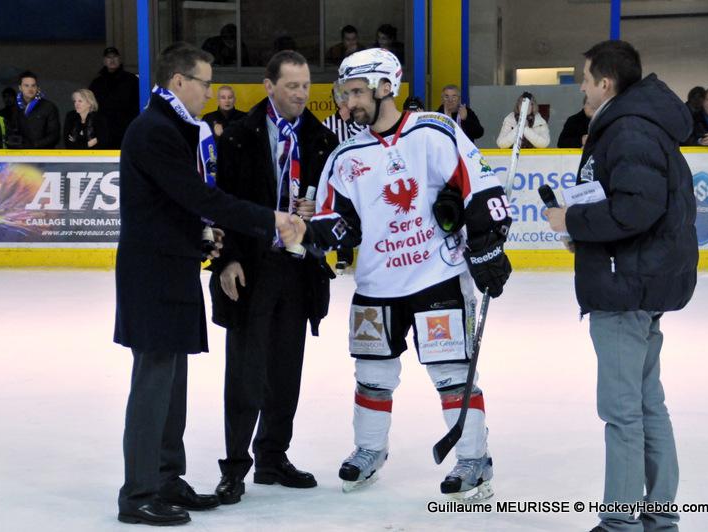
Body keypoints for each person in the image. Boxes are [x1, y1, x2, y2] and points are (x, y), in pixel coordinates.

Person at [305, 48, 513, 499]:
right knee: (371, 373)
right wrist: (314, 235)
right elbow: (337, 220)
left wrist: (486, 247)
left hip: (436, 277)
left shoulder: (433, 132)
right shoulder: (345, 155)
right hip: (376, 284)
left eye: (356, 92)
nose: (348, 103)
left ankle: (473, 458)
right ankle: (369, 449)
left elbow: (480, 187)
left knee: (452, 372)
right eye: (345, 93)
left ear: (386, 87)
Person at [114, 42, 305, 526]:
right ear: (179, 81)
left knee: (171, 384)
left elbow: (172, 207)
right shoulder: (155, 131)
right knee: (153, 385)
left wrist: (202, 236)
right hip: (152, 277)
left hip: (171, 271)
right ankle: (138, 493)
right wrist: (270, 218)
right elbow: (197, 196)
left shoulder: (172, 127)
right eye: (204, 83)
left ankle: (166, 478)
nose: (209, 92)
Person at [544, 40, 697, 532]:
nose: (582, 88)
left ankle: (621, 523)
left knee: (623, 411)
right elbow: (629, 206)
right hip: (635, 280)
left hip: (625, 287)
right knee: (647, 403)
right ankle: (660, 516)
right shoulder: (632, 124)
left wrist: (572, 219)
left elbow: (636, 208)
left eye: (586, 79)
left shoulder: (628, 129)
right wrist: (584, 233)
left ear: (605, 83)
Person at [208, 50, 339, 505]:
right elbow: (221, 203)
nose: (301, 94)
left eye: (305, 86)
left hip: (299, 269)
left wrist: (318, 213)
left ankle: (272, 456)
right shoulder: (237, 137)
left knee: (286, 369)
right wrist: (226, 261)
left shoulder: (321, 139)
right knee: (245, 372)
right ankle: (234, 466)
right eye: (292, 86)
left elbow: (338, 205)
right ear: (269, 86)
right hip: (252, 268)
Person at [321, 80, 365, 270]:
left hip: (363, 174)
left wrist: (349, 120)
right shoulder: (327, 123)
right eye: (340, 96)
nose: (344, 101)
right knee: (342, 214)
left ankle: (369, 252)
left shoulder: (362, 120)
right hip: (340, 178)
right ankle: (344, 256)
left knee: (365, 213)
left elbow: (364, 137)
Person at [88, 47, 140, 149]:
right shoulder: (97, 83)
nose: (112, 60)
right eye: (109, 57)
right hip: (104, 130)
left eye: (115, 57)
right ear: (104, 61)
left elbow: (139, 103)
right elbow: (91, 105)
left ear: (119, 59)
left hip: (126, 128)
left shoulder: (131, 80)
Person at [7, 71, 60, 149]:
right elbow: (10, 132)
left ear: (37, 88)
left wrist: (34, 145)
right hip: (21, 153)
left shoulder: (48, 107)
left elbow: (54, 135)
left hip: (44, 153)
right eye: (26, 85)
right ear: (20, 88)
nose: (30, 89)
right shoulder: (15, 107)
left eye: (33, 85)